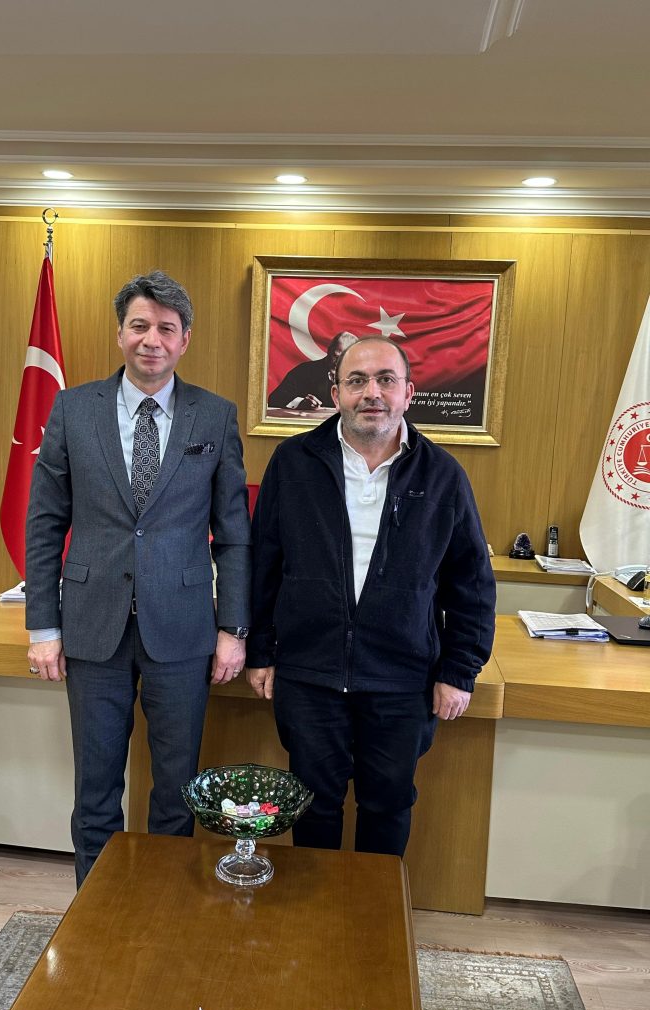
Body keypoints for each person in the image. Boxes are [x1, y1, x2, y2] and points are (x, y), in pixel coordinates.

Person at [25, 270, 251, 886]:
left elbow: (234, 534)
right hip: (91, 627)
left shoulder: (215, 416)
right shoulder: (73, 409)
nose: (152, 339)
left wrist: (233, 628)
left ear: (185, 340)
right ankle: (95, 916)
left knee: (177, 790)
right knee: (96, 789)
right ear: (120, 333)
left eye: (166, 329)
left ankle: (162, 910)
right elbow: (44, 523)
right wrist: (43, 626)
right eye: (140, 325)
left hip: (183, 629)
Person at [247, 335, 495, 856]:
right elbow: (263, 563)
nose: (372, 393)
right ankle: (316, 907)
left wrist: (459, 670)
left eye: (386, 380)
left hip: (402, 679)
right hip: (309, 673)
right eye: (357, 381)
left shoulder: (442, 474)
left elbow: (470, 583)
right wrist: (261, 651)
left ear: (408, 392)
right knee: (313, 806)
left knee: (387, 807)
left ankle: (374, 910)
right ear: (335, 392)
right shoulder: (293, 462)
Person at [268, 330, 356, 410]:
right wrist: (300, 403)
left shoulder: (358, 377)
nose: (339, 362)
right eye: (336, 356)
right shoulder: (304, 371)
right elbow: (274, 399)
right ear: (329, 350)